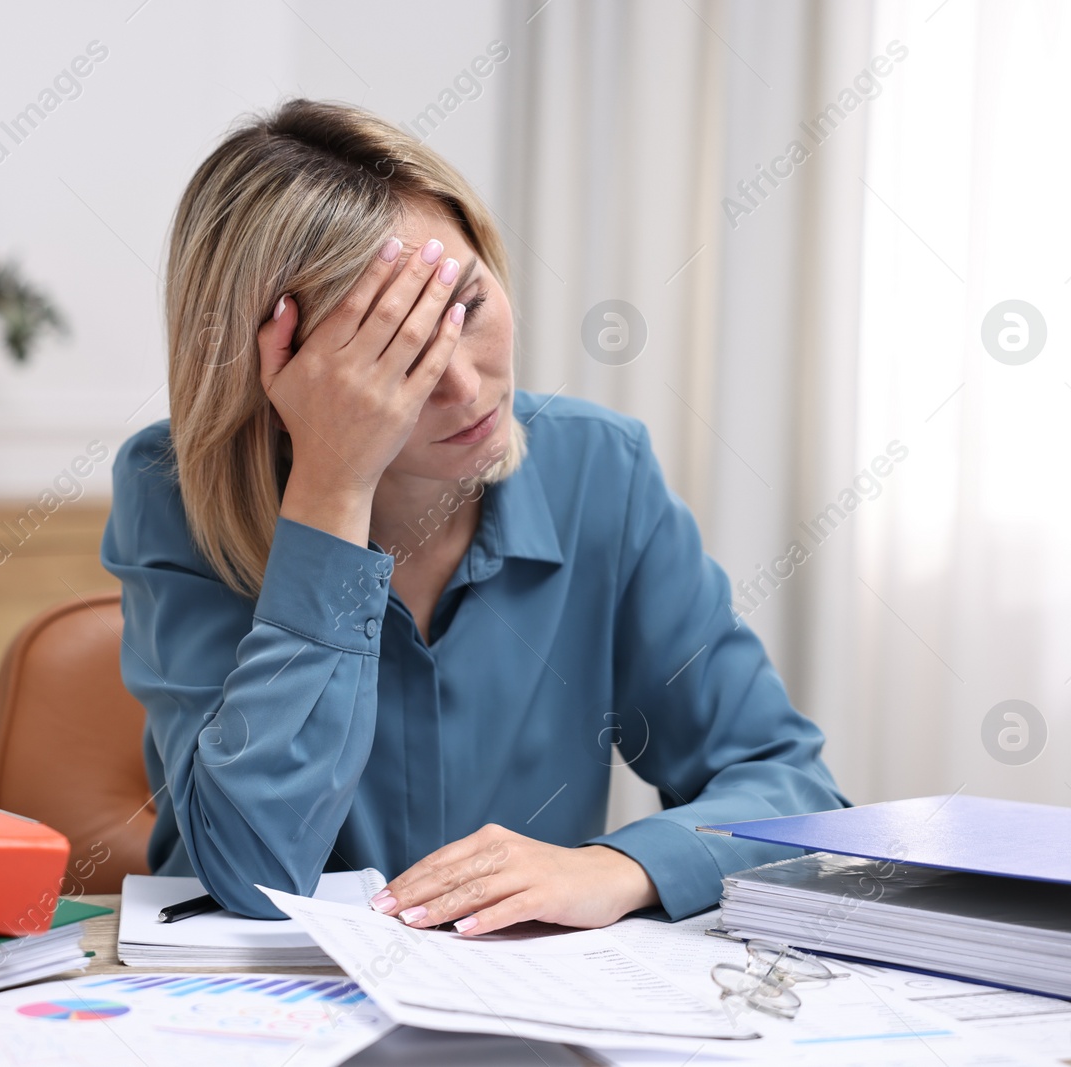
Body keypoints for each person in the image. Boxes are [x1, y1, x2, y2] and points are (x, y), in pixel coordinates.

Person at [101, 98, 846, 934]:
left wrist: (617, 866)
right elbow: (250, 870)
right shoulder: (172, 490)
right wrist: (332, 488)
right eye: (394, 355)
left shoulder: (602, 470)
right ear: (275, 385)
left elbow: (796, 797)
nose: (461, 383)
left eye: (465, 306)